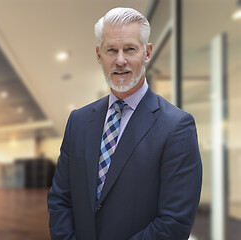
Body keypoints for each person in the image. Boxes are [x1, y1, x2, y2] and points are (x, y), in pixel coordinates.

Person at [47, 7, 202, 240]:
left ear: (147, 52)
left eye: (130, 49)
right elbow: (60, 200)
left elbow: (174, 222)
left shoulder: (177, 127)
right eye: (112, 50)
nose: (120, 60)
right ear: (99, 55)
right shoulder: (78, 122)